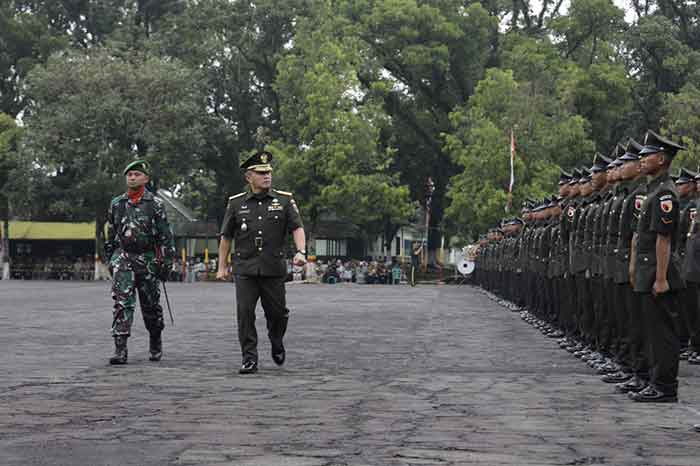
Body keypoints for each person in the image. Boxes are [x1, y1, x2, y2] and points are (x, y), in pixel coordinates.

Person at [216, 150, 306, 375]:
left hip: (273, 268)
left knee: (278, 314)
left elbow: (297, 227)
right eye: (261, 172)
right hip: (245, 268)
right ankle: (249, 358)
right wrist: (221, 266)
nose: (267, 176)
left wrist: (301, 251)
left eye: (269, 172)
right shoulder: (236, 203)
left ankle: (276, 339)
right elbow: (226, 237)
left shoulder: (284, 200)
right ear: (249, 177)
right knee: (245, 313)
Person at [629, 130, 686, 402]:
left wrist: (661, 278)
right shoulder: (654, 190)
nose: (641, 160)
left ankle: (665, 386)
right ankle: (655, 381)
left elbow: (663, 239)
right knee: (652, 331)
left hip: (659, 273)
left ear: (661, 158)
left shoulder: (665, 194)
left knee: (663, 333)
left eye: (646, 155)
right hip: (649, 271)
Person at [104, 160, 175, 365]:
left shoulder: (155, 204)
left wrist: (166, 264)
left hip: (148, 260)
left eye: (137, 174)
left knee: (151, 304)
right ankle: (120, 349)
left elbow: (165, 236)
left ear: (146, 179)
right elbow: (110, 233)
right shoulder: (117, 203)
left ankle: (155, 339)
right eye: (129, 174)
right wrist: (112, 259)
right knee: (121, 303)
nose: (132, 177)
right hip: (124, 257)